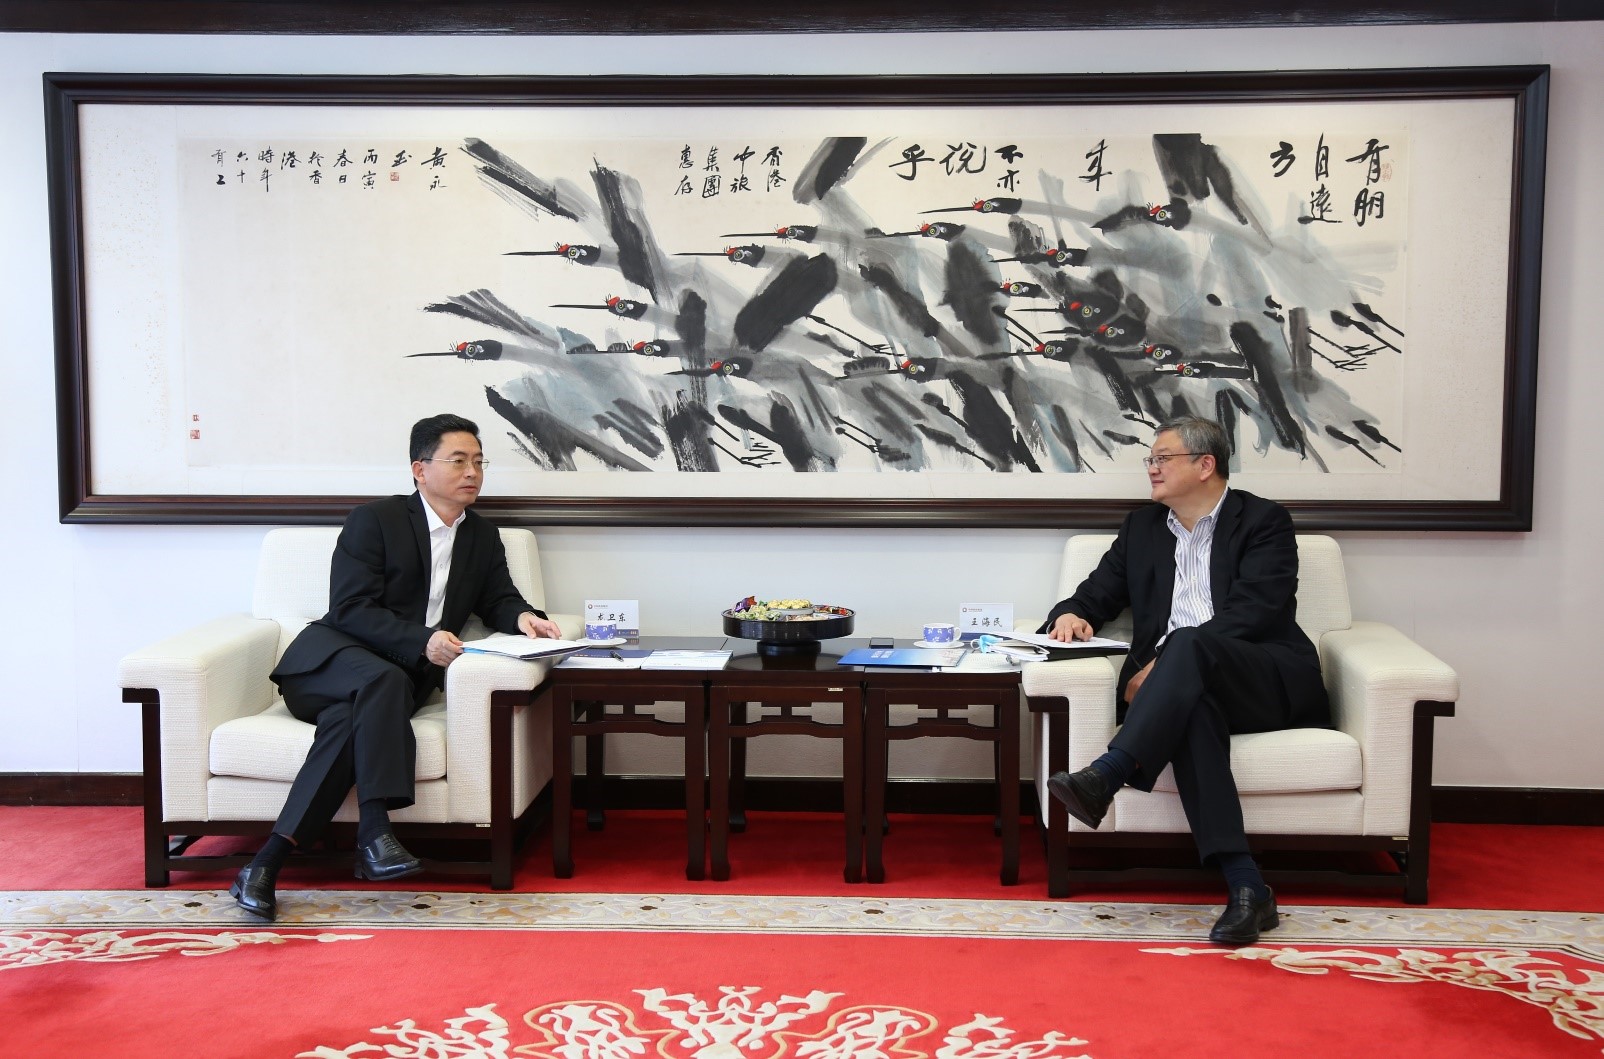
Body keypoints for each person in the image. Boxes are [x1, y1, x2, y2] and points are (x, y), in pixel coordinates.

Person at [230, 413, 560, 920]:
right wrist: (422, 640)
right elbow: (350, 608)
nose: (472, 472)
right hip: (326, 666)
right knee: (380, 680)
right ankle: (375, 831)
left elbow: (498, 598)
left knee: (348, 724)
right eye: (458, 460)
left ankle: (265, 864)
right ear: (419, 469)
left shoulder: (481, 535)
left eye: (478, 461)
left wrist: (524, 618)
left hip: (390, 688)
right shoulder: (375, 520)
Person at [1042, 415, 1329, 945]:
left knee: (1189, 642)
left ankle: (1109, 772)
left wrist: (1166, 660)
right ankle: (1247, 887)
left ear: (1205, 465)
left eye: (1162, 458)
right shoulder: (1142, 528)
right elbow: (1095, 594)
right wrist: (1070, 615)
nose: (1151, 468)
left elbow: (1257, 611)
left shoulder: (1263, 521)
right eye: (1149, 459)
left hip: (1263, 679)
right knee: (1192, 709)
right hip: (1183, 692)